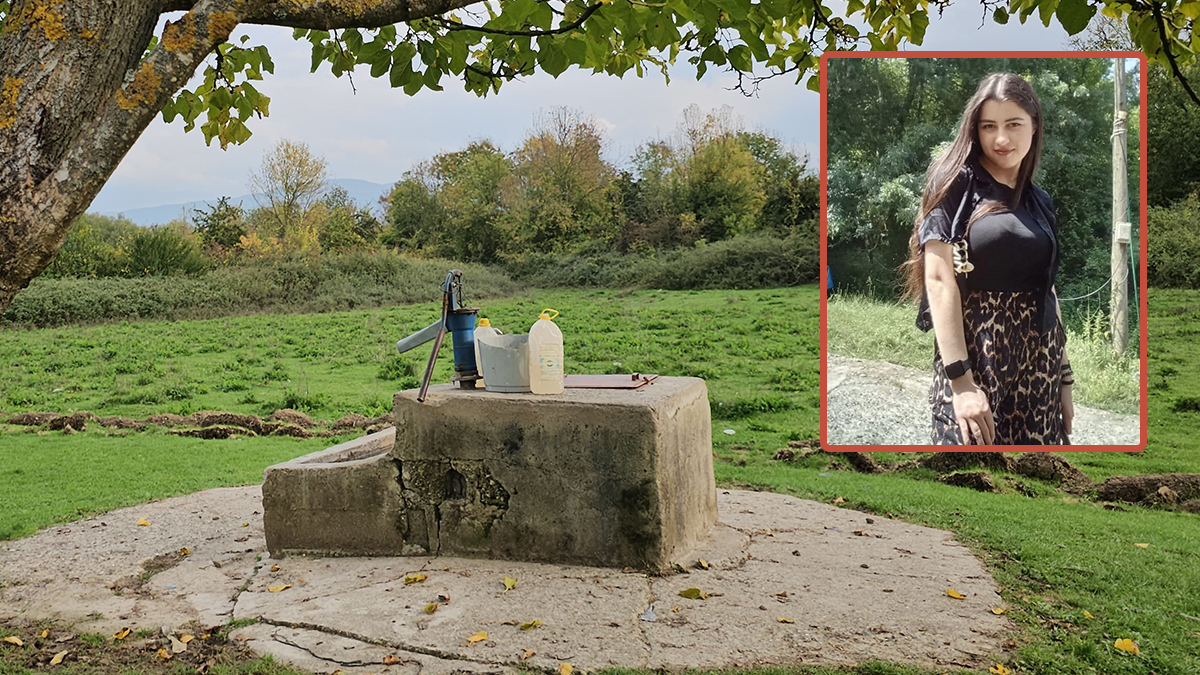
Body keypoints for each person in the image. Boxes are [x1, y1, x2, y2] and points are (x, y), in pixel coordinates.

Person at [899, 72, 1073, 445]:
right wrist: (961, 382)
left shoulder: (1039, 202)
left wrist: (1064, 376)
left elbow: (1048, 287)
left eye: (1014, 124)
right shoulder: (953, 184)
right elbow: (939, 279)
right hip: (976, 357)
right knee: (964, 475)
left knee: (1034, 483)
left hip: (1039, 365)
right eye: (988, 126)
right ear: (975, 129)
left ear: (1035, 126)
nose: (1001, 139)